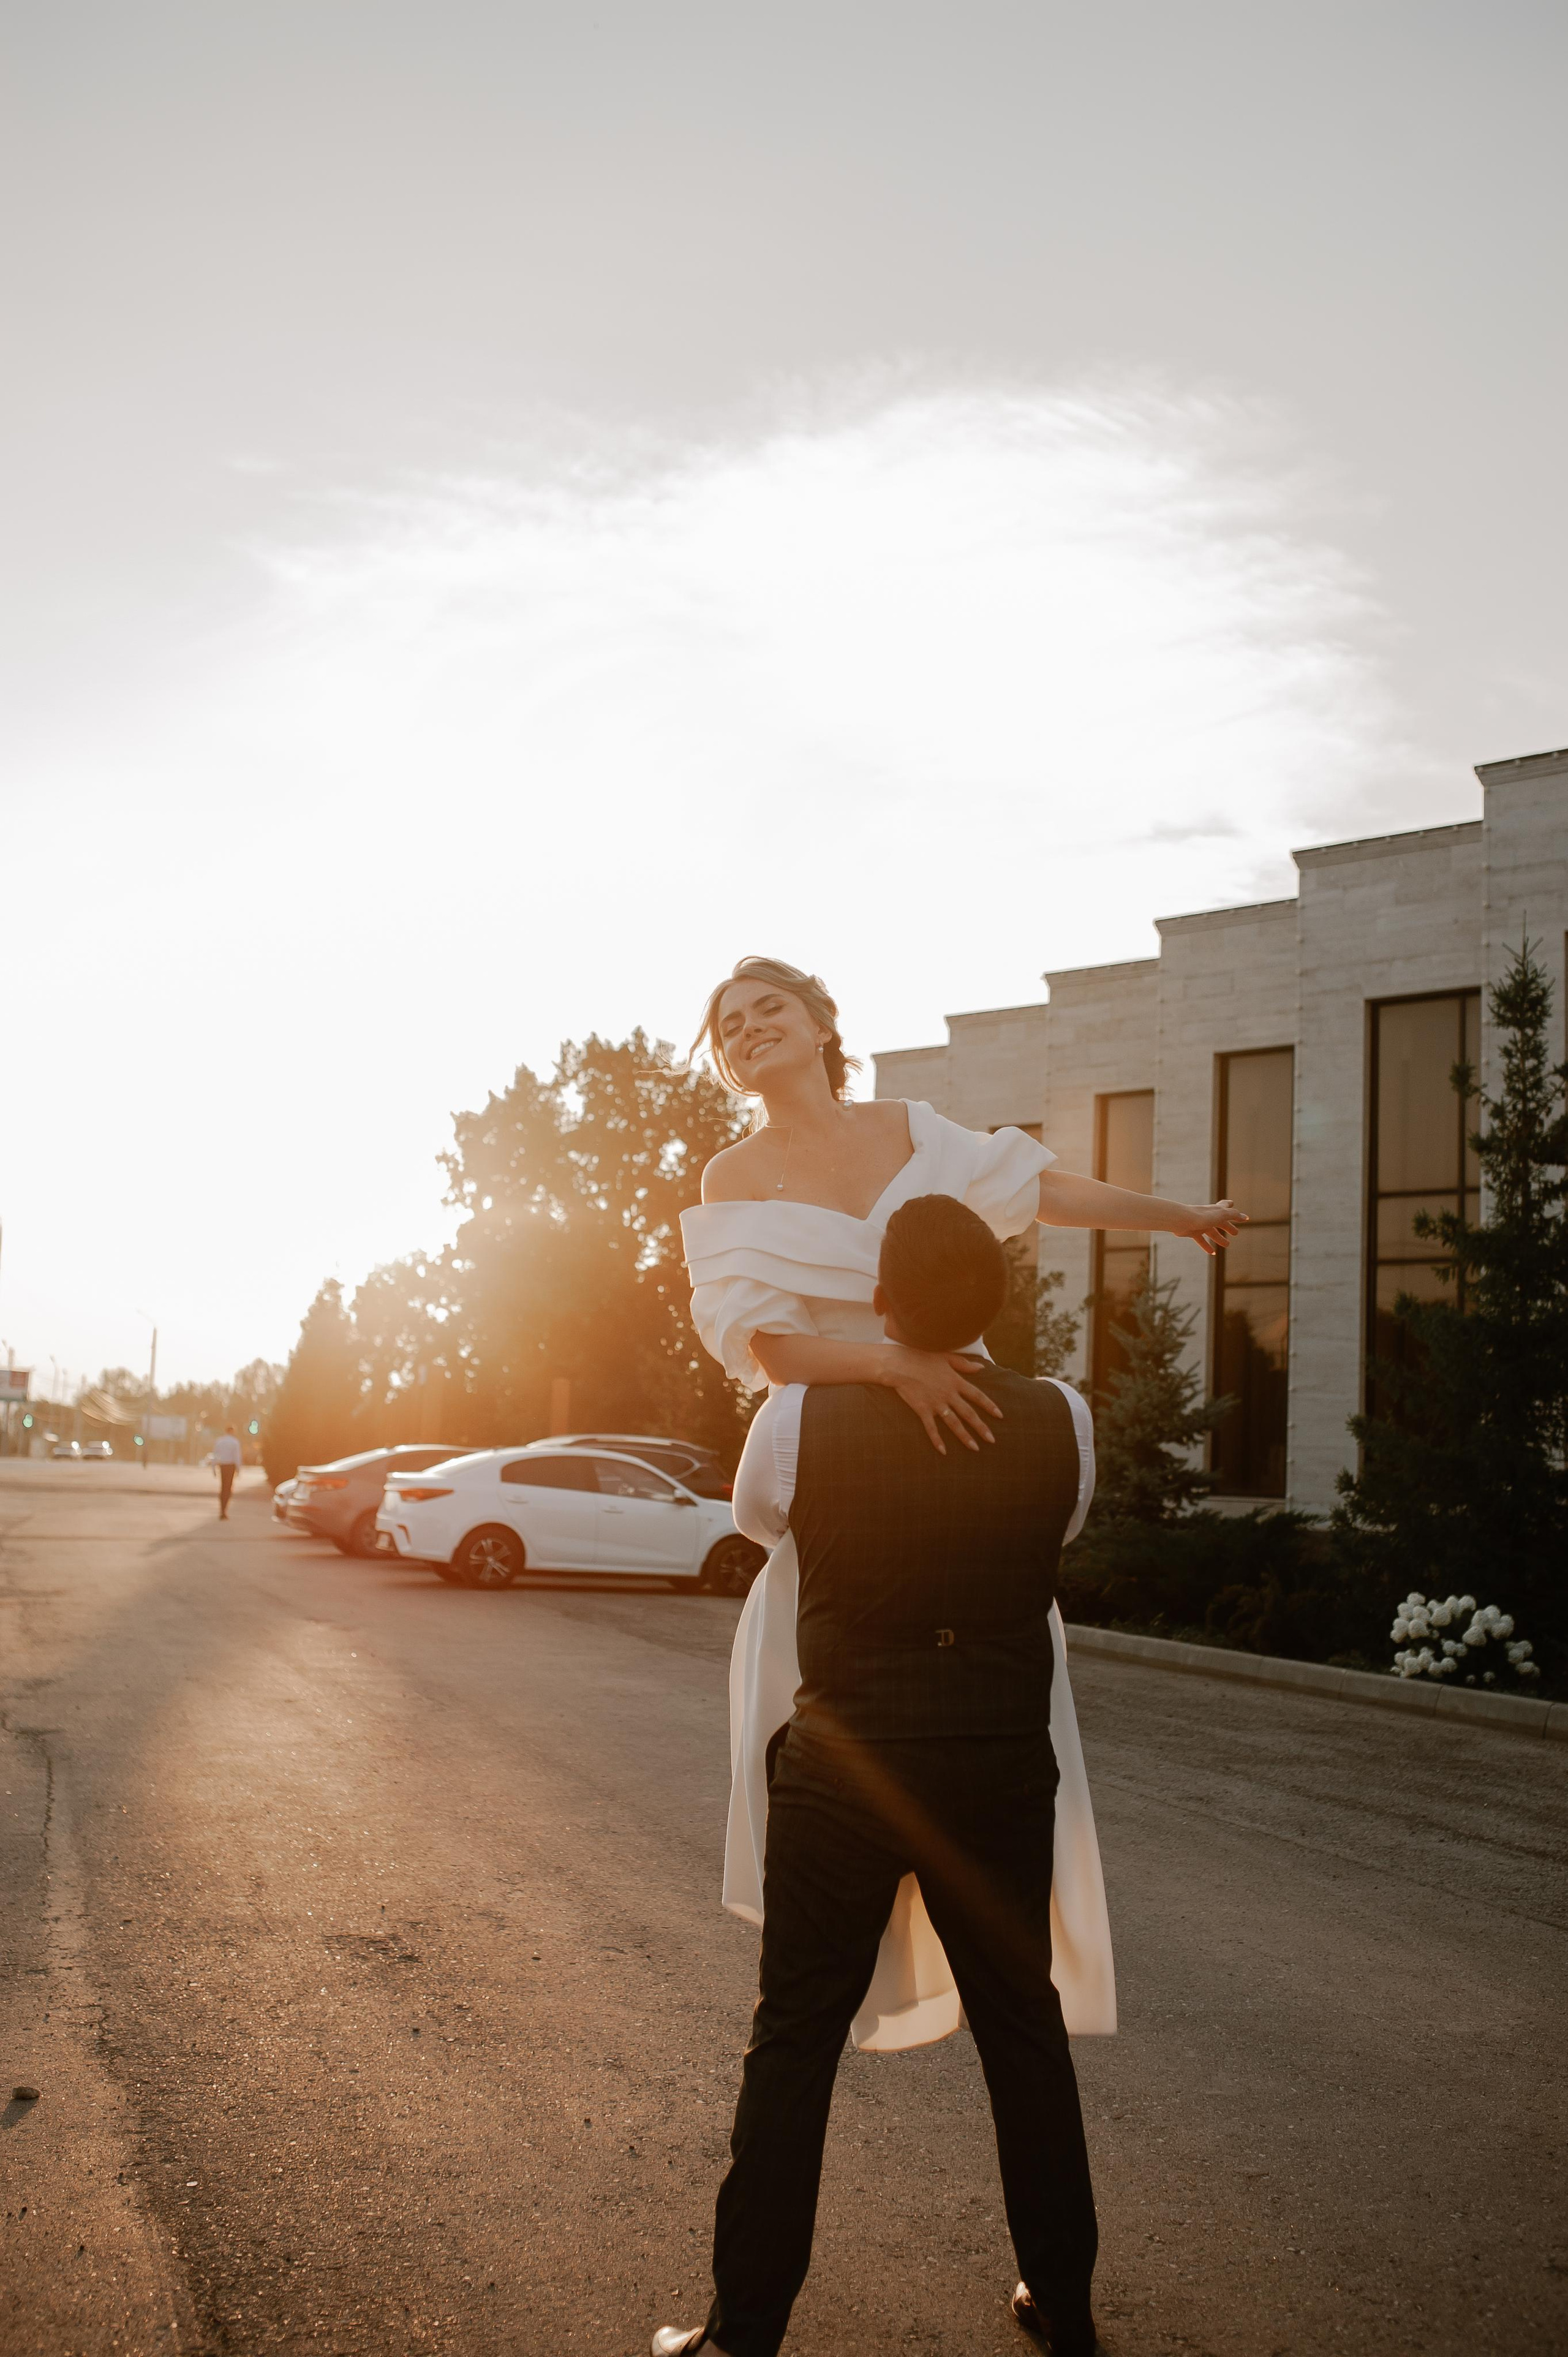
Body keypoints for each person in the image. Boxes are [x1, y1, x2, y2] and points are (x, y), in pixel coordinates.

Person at [678, 956, 1245, 2052]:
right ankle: (838, 1944)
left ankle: (988, 1940)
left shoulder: (913, 1126)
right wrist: (895, 1368)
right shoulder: (728, 1176)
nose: (750, 1029)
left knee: (985, 1698)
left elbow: (1038, 1189)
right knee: (841, 1746)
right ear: (726, 1061)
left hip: (971, 1428)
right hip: (842, 1441)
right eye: (729, 1026)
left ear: (821, 1020)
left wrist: (1179, 1217)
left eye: (769, 1009)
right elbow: (766, 1342)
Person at [653, 1195, 1106, 2356]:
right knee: (1023, 2030)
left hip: (847, 1759)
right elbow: (1056, 1536)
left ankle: (740, 2333)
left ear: (882, 1300)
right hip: (999, 1763)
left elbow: (764, 1525)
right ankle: (1063, 2306)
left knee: (795, 2037)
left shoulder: (800, 1414)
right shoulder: (1064, 1416)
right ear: (997, 1301)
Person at [212, 1423, 242, 1519]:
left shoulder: (220, 1441)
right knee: (228, 1489)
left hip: (223, 1466)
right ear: (232, 1431)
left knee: (223, 1487)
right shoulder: (235, 1442)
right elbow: (237, 1457)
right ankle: (224, 1511)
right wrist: (238, 1469)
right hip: (230, 1467)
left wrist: (214, 1468)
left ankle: (222, 1509)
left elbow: (215, 1454)